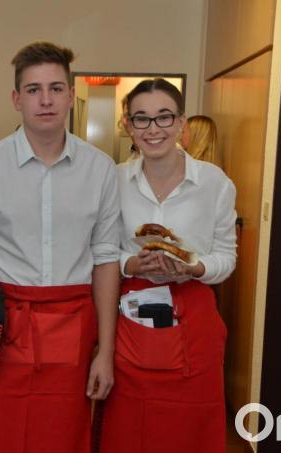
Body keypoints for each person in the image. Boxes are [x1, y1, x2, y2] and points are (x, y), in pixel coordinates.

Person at [0, 41, 121, 453]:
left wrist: (107, 352)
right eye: (33, 90)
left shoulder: (100, 169)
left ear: (70, 96)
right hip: (2, 326)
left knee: (60, 435)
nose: (46, 100)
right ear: (16, 98)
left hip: (73, 325)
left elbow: (107, 259)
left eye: (56, 88)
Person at [92, 79, 237, 453]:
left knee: (190, 429)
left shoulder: (213, 182)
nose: (153, 129)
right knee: (129, 427)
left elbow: (226, 256)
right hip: (130, 315)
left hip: (194, 313)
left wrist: (195, 268)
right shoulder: (115, 179)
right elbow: (101, 249)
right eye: (141, 119)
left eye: (163, 117)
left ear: (180, 124)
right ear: (127, 124)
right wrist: (132, 262)